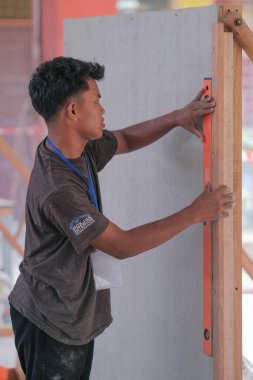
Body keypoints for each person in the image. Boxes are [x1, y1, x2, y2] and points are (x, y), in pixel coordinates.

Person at [8, 57, 235, 380]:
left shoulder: (76, 148)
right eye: (96, 102)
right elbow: (123, 245)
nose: (102, 110)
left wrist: (176, 118)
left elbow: (125, 139)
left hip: (67, 310)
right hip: (50, 321)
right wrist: (196, 211)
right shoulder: (59, 189)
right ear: (72, 111)